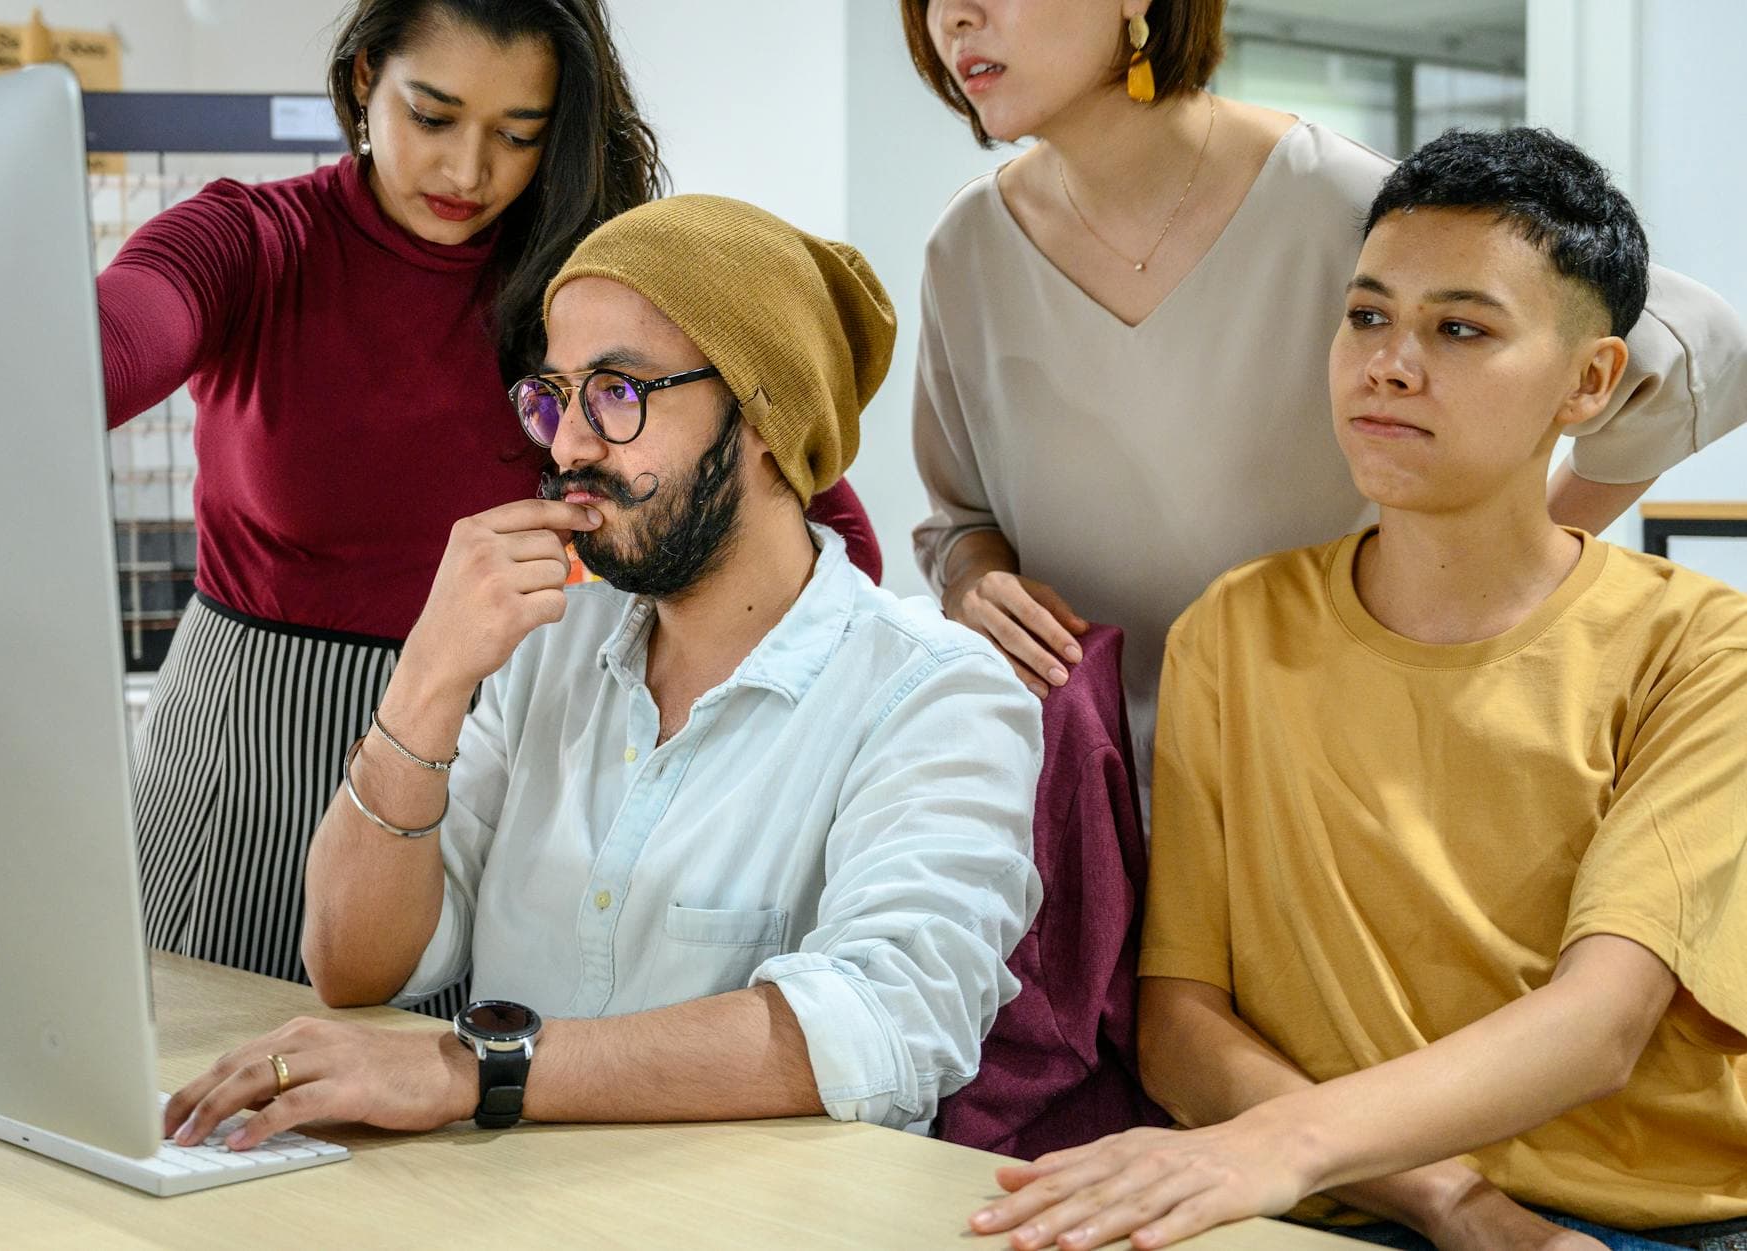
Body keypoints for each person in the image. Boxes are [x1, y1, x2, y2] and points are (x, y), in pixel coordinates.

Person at [969, 129, 1747, 1251]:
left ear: (1587, 383)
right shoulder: (1233, 630)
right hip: (1340, 1204)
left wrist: (1287, 1151)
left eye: (1460, 329)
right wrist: (1445, 1200)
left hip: (1645, 1220)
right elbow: (1181, 1026)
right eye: (1366, 316)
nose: (1386, 362)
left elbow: (1599, 1026)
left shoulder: (1701, 649)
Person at [158, 195, 1043, 1146]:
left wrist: (472, 1068)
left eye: (617, 392)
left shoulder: (939, 692)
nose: (570, 444)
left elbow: (884, 1023)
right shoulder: (545, 648)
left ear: (762, 416)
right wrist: (427, 677)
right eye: (554, 397)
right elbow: (357, 965)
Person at [104, 0, 879, 1011]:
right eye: (431, 117)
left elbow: (813, 515)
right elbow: (108, 349)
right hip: (249, 756)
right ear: (361, 83)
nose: (469, 173)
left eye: (518, 135)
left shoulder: (587, 298)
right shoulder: (253, 242)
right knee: (206, 1088)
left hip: (496, 767)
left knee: (444, 1117)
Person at [900, 0, 1747, 773]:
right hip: (1079, 788)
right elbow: (961, 519)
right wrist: (975, 584)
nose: (954, 19)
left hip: (1331, 773)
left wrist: (1473, 582)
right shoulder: (965, 249)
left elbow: (1698, 353)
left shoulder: (1337, 196)